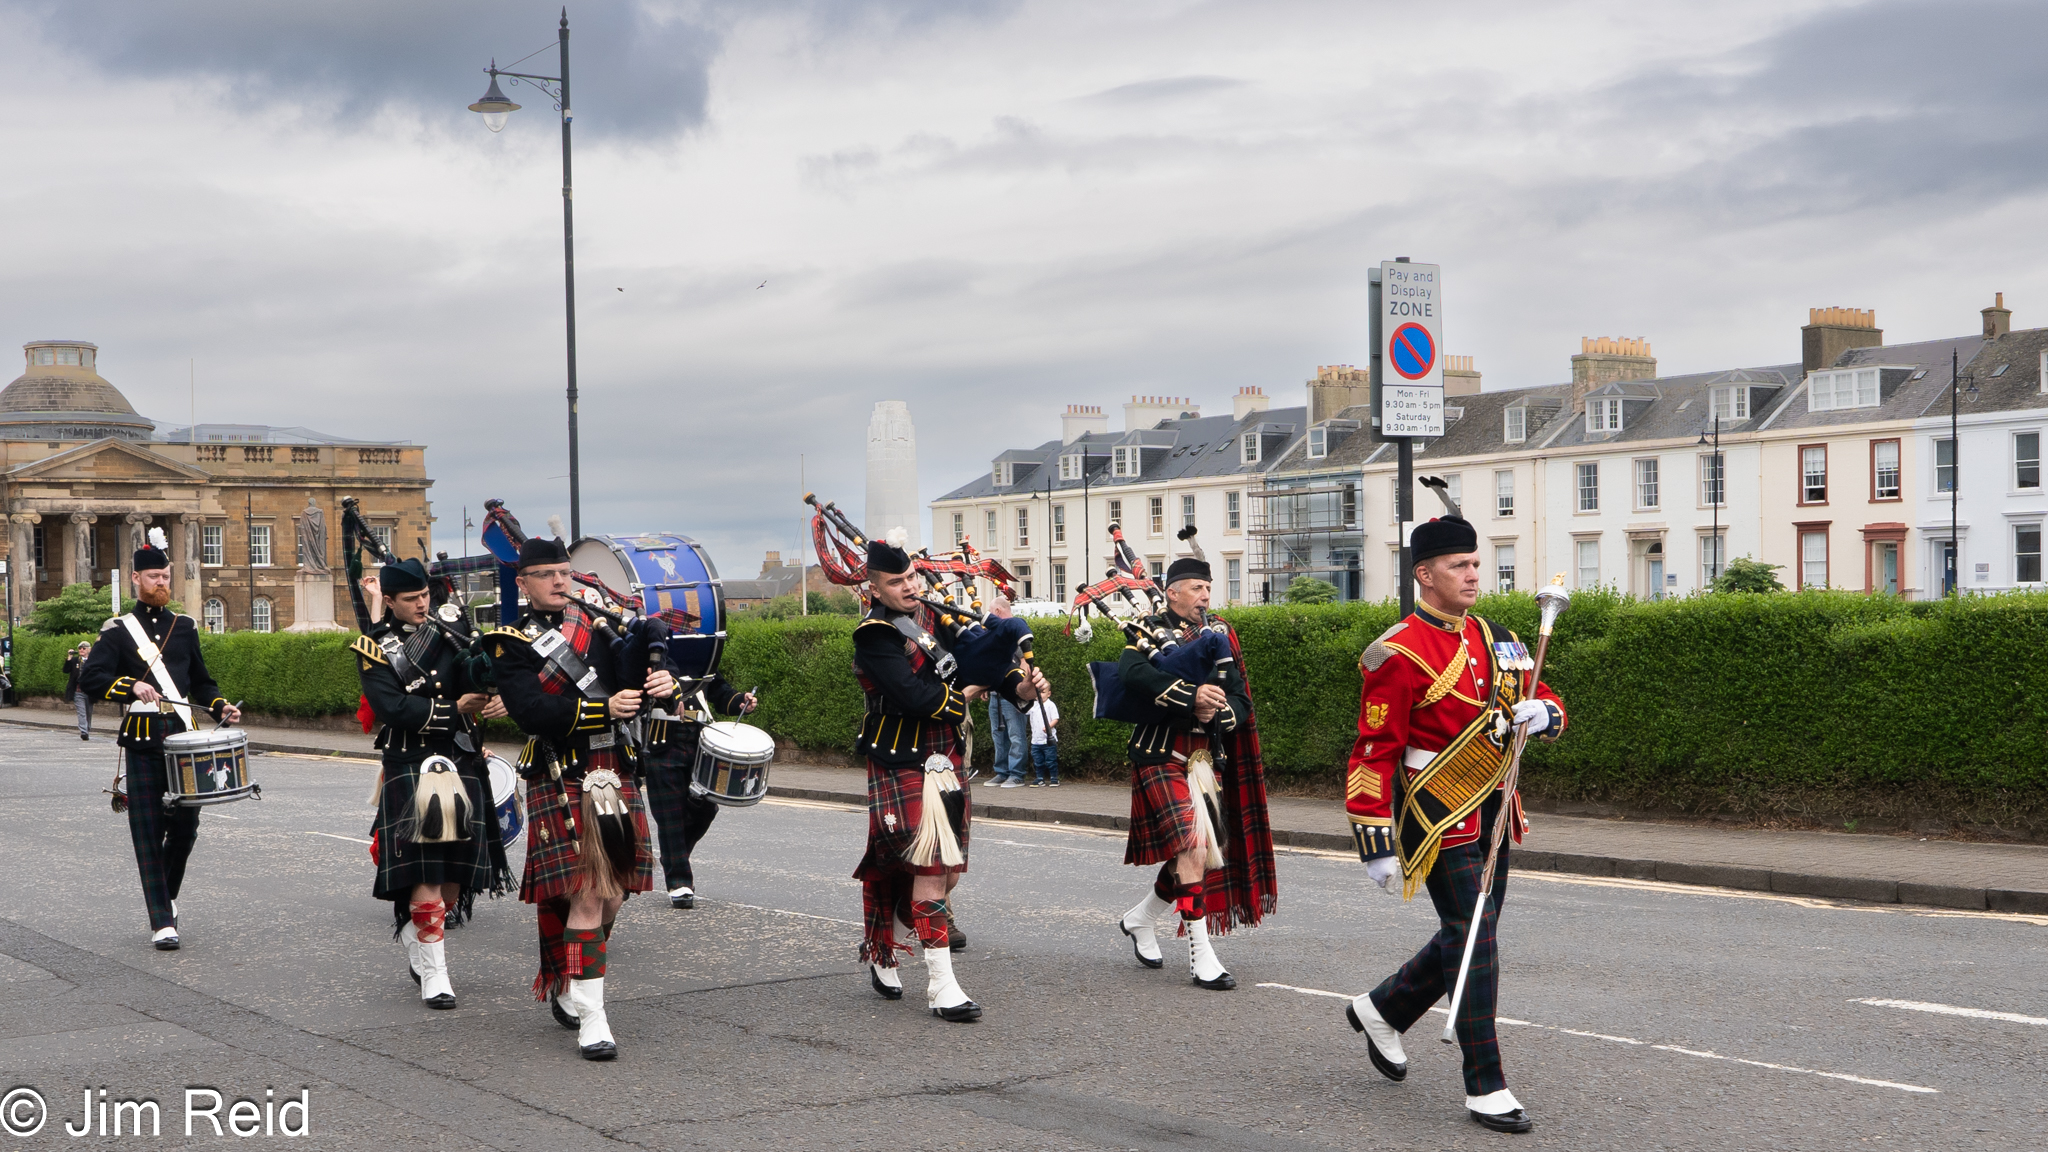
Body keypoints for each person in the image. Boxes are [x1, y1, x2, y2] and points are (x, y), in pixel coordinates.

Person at [1341, 514, 1566, 1135]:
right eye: (1458, 565)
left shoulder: (1499, 636)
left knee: (1471, 932)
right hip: (1437, 812)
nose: (1473, 574)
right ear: (1424, 574)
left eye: (1475, 563)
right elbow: (1373, 751)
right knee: (1476, 941)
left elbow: (1542, 692)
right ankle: (1486, 1086)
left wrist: (1544, 713)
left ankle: (1383, 1009)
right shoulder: (1397, 651)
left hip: (1495, 804)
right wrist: (1374, 837)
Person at [486, 536, 677, 1060]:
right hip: (561, 769)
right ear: (523, 583)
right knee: (590, 892)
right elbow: (529, 711)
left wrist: (664, 680)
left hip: (615, 767)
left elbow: (635, 679)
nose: (558, 581)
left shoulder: (599, 624)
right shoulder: (509, 641)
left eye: (564, 572)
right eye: (546, 574)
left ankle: (573, 970)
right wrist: (602, 710)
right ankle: (594, 1018)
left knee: (614, 894)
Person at [852, 530, 1046, 1021]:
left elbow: (980, 656)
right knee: (931, 869)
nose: (909, 587)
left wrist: (1020, 686)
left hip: (947, 756)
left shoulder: (935, 615)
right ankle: (942, 987)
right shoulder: (875, 635)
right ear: (875, 588)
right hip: (901, 757)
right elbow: (914, 696)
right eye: (896, 582)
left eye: (911, 576)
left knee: (948, 872)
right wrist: (970, 694)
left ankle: (887, 941)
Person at [352, 557, 513, 1011]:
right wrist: (454, 708)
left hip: (460, 756)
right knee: (426, 872)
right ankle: (436, 973)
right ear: (388, 601)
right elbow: (392, 707)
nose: (422, 604)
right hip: (411, 759)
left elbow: (475, 676)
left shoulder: (451, 631)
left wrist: (494, 689)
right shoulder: (373, 647)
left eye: (425, 595)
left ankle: (414, 931)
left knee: (454, 879)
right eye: (411, 599)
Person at [1111, 551, 1277, 990]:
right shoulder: (1147, 627)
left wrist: (1218, 713)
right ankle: (1201, 956)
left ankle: (1141, 918)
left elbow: (1240, 698)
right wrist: (1190, 697)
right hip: (1160, 753)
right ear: (1172, 593)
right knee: (1193, 845)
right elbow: (1131, 673)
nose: (1205, 596)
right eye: (1197, 588)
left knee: (1196, 853)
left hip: (1204, 759)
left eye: (1208, 588)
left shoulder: (1217, 634)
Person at [78, 530, 242, 950]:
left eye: (166, 576)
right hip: (143, 740)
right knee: (147, 830)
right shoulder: (118, 630)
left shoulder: (184, 627)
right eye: (154, 576)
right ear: (136, 578)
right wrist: (130, 686)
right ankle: (162, 922)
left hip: (184, 736)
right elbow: (92, 678)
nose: (161, 583)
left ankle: (164, 898)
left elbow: (201, 682)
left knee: (186, 828)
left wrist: (220, 706)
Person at [643, 668, 756, 910]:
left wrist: (739, 701)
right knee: (671, 816)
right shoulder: (653, 653)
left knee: (707, 809)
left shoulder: (701, 656)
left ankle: (674, 856)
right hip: (661, 739)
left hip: (699, 738)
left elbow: (717, 688)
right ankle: (679, 882)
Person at [981, 597, 1030, 789]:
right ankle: (1001, 772)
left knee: (1016, 734)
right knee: (998, 734)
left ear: (998, 612)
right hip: (996, 691)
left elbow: (1025, 663)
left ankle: (1017, 774)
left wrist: (1021, 694)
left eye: (990, 611)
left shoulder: (1016, 629)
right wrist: (985, 686)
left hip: (1011, 691)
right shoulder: (996, 632)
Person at [1025, 692, 1060, 787]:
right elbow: (1024, 710)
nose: (1040, 694)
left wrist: (1048, 727)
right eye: (1037, 692)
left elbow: (1055, 718)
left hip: (1048, 740)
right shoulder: (1033, 705)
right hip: (1036, 741)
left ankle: (1054, 778)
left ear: (1049, 694)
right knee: (1038, 762)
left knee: (1051, 761)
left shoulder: (1050, 705)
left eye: (1043, 692)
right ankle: (1040, 778)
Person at [64, 641, 94, 740]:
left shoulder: (93, 661)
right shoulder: (75, 661)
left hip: (90, 691)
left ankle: (87, 729)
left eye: (84, 648)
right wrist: (69, 658)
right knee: (81, 712)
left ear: (89, 650)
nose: (81, 650)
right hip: (78, 691)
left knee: (88, 712)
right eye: (80, 648)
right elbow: (66, 670)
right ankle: (84, 732)